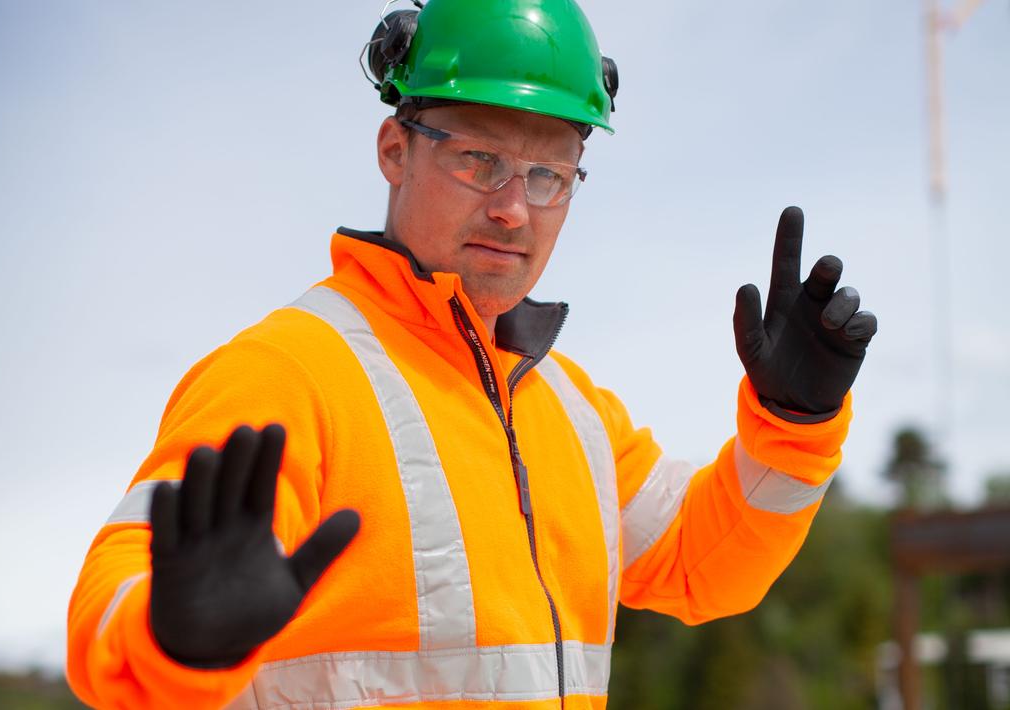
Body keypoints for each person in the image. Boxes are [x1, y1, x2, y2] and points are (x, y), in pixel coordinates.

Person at [66, 1, 878, 708]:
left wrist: (793, 425)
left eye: (549, 175)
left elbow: (706, 568)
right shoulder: (288, 372)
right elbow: (117, 590)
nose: (514, 210)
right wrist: (169, 640)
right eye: (479, 160)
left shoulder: (571, 409)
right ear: (395, 148)